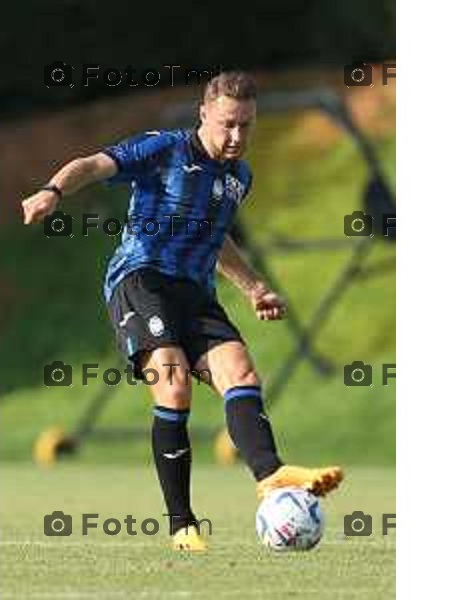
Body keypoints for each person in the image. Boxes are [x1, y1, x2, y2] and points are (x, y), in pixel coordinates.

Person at [22, 71, 343, 552]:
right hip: (141, 278)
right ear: (204, 115)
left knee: (241, 373)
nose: (237, 137)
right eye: (227, 124)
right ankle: (182, 524)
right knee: (172, 385)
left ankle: (272, 475)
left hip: (194, 293)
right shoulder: (163, 150)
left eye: (246, 126)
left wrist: (254, 286)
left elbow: (218, 239)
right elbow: (92, 164)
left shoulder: (239, 177)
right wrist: (53, 190)